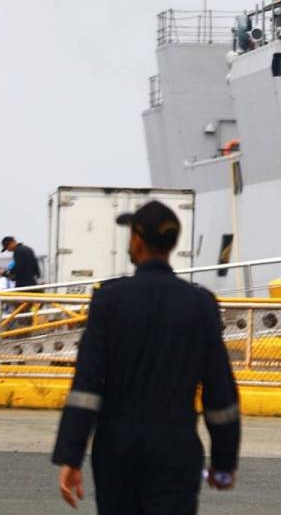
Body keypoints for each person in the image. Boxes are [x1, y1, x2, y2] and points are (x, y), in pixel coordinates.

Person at [52, 200, 240, 512]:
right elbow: (220, 391)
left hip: (116, 449)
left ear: (137, 241)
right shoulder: (200, 305)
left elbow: (86, 387)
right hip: (176, 448)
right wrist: (224, 461)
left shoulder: (109, 301)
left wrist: (71, 456)